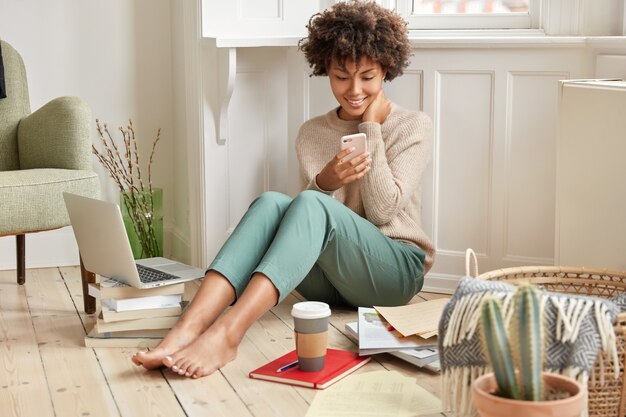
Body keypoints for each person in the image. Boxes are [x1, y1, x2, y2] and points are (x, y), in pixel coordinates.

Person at [132, 0, 434, 379]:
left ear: (386, 70)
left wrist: (371, 129)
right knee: (272, 202)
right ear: (325, 69)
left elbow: (382, 212)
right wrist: (327, 181)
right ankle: (186, 329)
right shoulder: (312, 133)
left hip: (394, 273)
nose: (354, 90)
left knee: (307, 201)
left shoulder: (412, 126)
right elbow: (306, 229)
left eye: (367, 77)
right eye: (342, 77)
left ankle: (228, 333)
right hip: (330, 285)